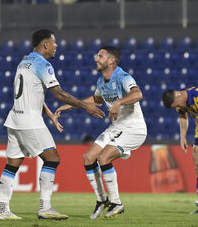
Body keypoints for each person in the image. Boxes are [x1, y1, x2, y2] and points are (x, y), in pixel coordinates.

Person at [0, 29, 105, 220]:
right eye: (54, 43)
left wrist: (50, 115)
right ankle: (45, 207)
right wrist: (85, 106)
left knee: (12, 165)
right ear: (45, 44)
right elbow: (59, 94)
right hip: (30, 120)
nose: (56, 46)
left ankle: (3, 210)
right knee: (52, 158)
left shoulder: (24, 61)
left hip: (14, 118)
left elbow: (33, 94)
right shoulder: (43, 64)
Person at [56, 46, 147, 219]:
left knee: (103, 158)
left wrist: (118, 103)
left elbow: (138, 94)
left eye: (100, 56)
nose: (96, 58)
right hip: (117, 127)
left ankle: (117, 203)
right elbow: (96, 100)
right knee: (88, 158)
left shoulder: (123, 77)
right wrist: (72, 105)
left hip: (133, 127)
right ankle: (102, 200)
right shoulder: (100, 81)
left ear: (111, 60)